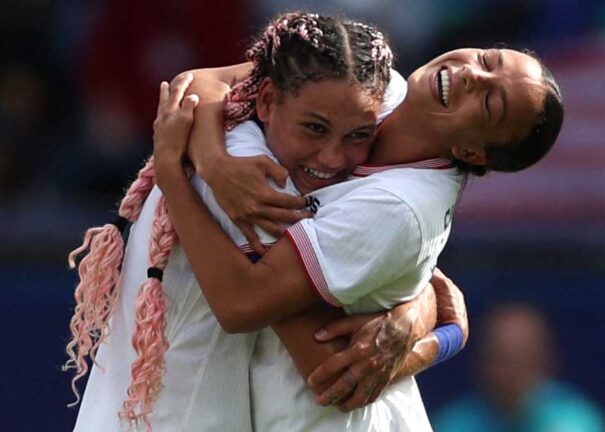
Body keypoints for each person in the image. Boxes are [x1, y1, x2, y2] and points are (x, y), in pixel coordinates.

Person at [149, 30, 564, 431]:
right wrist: (212, 162)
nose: (474, 74)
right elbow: (206, 81)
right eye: (488, 60)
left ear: (471, 152)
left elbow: (248, 307)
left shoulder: (399, 209)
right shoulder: (383, 87)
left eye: (490, 103)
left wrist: (174, 175)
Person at [67, 13, 455, 432]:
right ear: (267, 100)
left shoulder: (226, 129)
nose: (331, 157)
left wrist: (422, 295)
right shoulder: (258, 185)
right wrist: (441, 333)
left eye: (358, 135)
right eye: (314, 128)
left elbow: (202, 81)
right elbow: (333, 375)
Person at [432, 304, 605, 432]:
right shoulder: (452, 423)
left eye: (514, 360)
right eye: (495, 358)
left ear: (543, 360)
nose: (502, 373)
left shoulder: (575, 422)